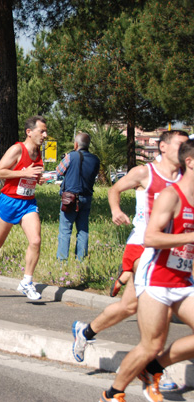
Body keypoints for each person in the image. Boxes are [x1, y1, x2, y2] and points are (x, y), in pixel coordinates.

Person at [71, 130, 188, 388]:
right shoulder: (144, 173)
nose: (185, 150)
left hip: (171, 250)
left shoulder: (185, 177)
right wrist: (115, 210)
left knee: (129, 306)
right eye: (180, 145)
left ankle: (85, 331)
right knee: (161, 305)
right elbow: (115, 189)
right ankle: (155, 369)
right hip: (142, 245)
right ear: (163, 148)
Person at [100, 139, 194, 402]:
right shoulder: (171, 195)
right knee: (151, 344)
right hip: (157, 280)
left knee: (156, 350)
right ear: (191, 162)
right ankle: (113, 394)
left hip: (183, 279)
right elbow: (151, 238)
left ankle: (153, 369)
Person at [0, 116, 48, 300]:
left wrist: (37, 179)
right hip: (9, 201)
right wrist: (24, 172)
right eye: (42, 131)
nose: (45, 135)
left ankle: (27, 282)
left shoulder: (38, 152)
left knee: (35, 241)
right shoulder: (17, 149)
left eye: (46, 131)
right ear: (29, 132)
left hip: (28, 202)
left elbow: (29, 175)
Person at [56, 132, 101, 261]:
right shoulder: (95, 159)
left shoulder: (71, 156)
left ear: (76, 144)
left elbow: (59, 171)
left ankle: (62, 260)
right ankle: (80, 260)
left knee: (65, 230)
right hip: (87, 197)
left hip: (70, 198)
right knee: (83, 230)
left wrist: (65, 158)